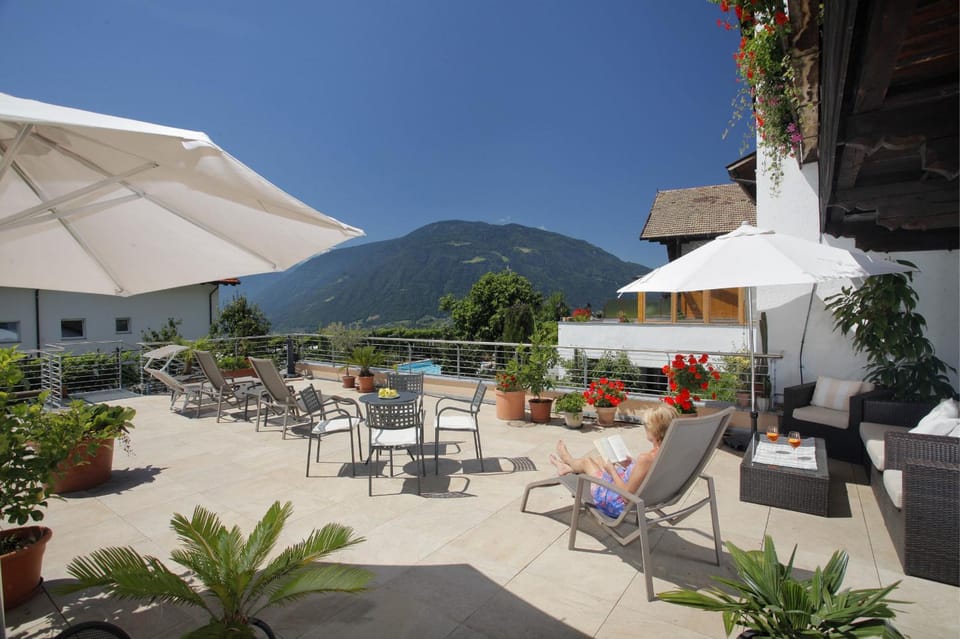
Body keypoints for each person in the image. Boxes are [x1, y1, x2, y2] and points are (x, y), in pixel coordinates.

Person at [549, 404, 675, 518]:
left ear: (655, 430)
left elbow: (626, 497)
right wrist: (630, 463)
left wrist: (612, 471)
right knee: (600, 460)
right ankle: (567, 468)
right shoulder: (668, 453)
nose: (645, 429)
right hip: (644, 496)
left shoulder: (646, 459)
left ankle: (567, 459)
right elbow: (646, 473)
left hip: (616, 502)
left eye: (646, 426)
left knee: (587, 461)